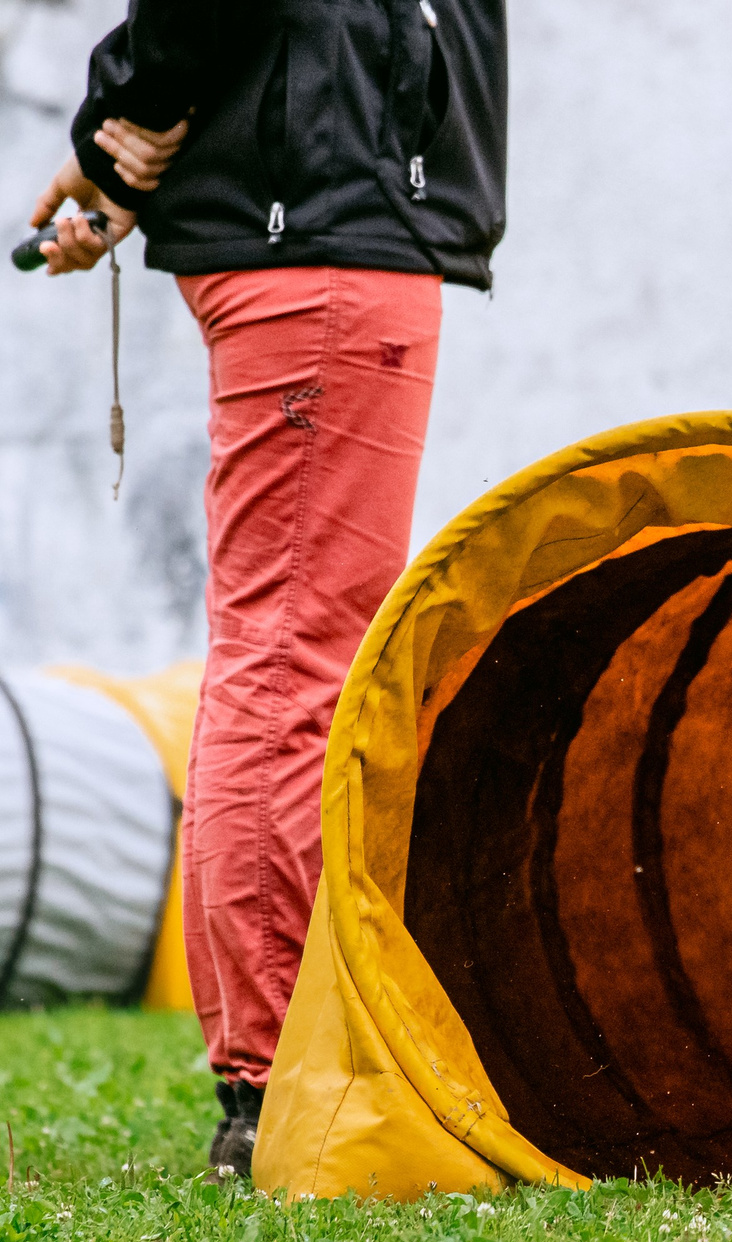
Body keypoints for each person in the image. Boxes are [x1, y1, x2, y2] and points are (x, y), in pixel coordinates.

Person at [28, 0, 507, 1176]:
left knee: (291, 650)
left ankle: (277, 1067)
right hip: (323, 238)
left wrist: (127, 152)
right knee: (295, 660)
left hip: (331, 223)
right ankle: (277, 1074)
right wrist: (125, 117)